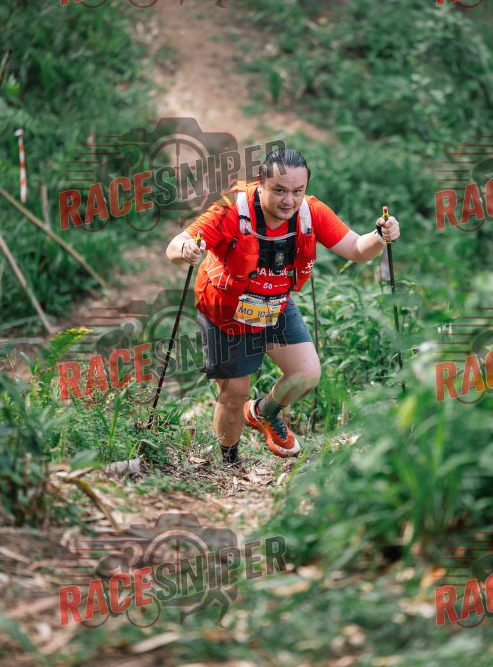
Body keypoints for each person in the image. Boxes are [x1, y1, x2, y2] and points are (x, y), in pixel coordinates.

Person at [166, 148, 400, 465]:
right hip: (225, 309)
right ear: (260, 183)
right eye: (279, 190)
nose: (289, 200)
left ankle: (264, 412)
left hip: (274, 305)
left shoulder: (311, 212)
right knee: (234, 393)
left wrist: (379, 236)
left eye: (297, 191)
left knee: (306, 373)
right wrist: (186, 250)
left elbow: (357, 249)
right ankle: (230, 462)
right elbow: (176, 245)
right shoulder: (229, 210)